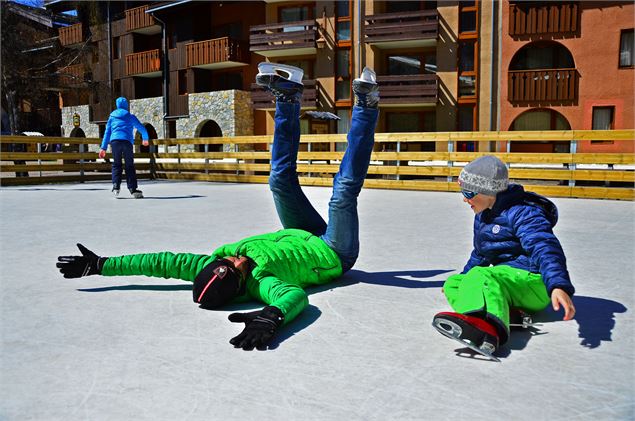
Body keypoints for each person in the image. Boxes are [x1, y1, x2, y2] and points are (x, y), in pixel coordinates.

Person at [57, 63, 380, 350]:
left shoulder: (207, 263)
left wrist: (102, 264)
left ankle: (288, 96)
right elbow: (294, 297)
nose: (239, 257)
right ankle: (366, 106)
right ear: (240, 283)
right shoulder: (261, 283)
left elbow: (158, 263)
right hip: (334, 252)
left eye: (229, 258)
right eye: (238, 265)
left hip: (300, 234)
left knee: (279, 180)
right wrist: (272, 316)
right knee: (342, 192)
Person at [432, 155, 576, 361]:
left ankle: (488, 330)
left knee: (481, 276)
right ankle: (502, 313)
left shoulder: (523, 213)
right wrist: (465, 277)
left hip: (534, 282)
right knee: (455, 283)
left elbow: (545, 247)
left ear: (489, 191)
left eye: (468, 192)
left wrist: (557, 285)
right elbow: (480, 254)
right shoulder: (483, 216)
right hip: (510, 282)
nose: (464, 198)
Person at [99, 97, 149, 198]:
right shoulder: (130, 116)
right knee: (129, 165)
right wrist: (145, 138)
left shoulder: (112, 117)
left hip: (115, 142)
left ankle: (116, 186)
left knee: (117, 164)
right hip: (127, 142)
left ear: (117, 106)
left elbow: (107, 132)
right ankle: (133, 189)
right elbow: (141, 127)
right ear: (126, 105)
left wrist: (103, 148)